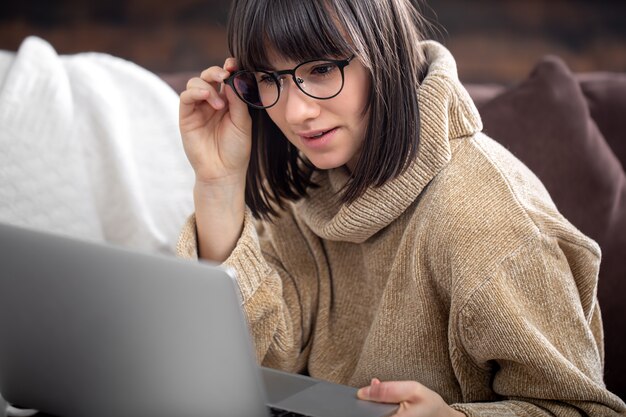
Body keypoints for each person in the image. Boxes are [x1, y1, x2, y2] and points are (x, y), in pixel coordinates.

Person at [176, 0, 626, 415]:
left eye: (320, 69)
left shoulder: (489, 219)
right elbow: (264, 358)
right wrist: (217, 183)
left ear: (383, 53)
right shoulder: (310, 177)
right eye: (270, 79)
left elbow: (582, 409)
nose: (296, 112)